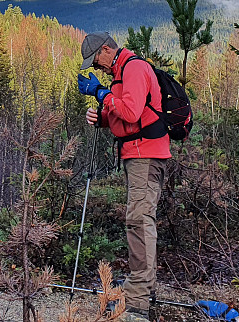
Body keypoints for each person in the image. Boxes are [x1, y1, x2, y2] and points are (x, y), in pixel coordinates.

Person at [77, 31, 170, 322]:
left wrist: (101, 94)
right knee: (137, 221)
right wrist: (102, 117)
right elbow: (126, 116)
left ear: (106, 50)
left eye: (95, 61)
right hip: (138, 154)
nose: (96, 68)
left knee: (139, 222)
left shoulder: (134, 68)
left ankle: (138, 302)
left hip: (146, 155)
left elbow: (130, 112)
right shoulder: (121, 71)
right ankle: (138, 287)